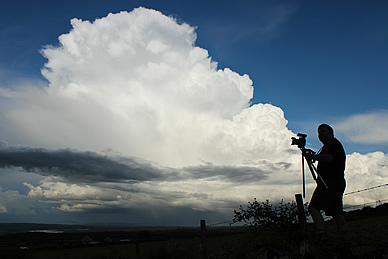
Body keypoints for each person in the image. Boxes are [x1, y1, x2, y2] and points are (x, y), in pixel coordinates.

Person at [304, 124, 346, 240]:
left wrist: (313, 157)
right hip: (336, 182)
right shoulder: (329, 145)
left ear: (330, 133)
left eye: (323, 131)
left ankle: (322, 234)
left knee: (313, 207)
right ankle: (344, 236)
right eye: (319, 132)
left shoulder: (332, 144)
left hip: (330, 182)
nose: (320, 134)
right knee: (336, 211)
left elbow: (328, 158)